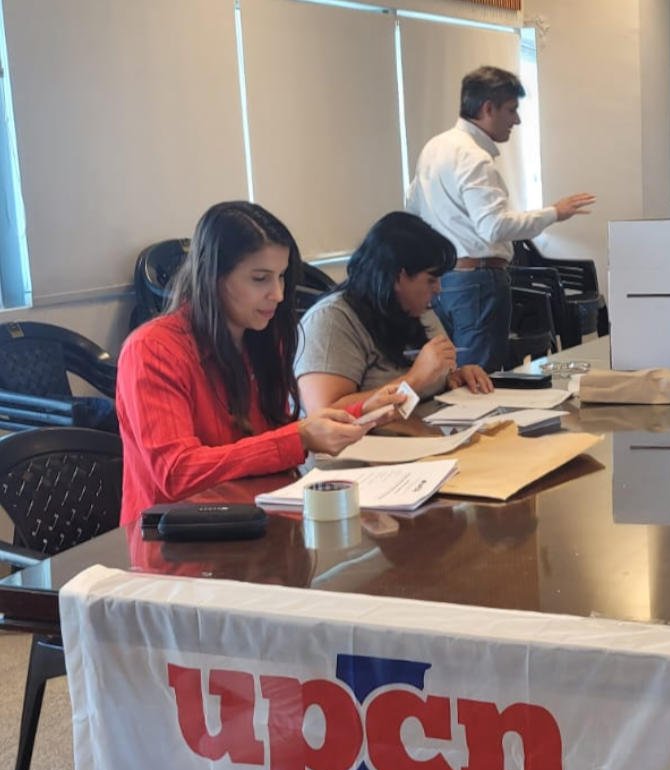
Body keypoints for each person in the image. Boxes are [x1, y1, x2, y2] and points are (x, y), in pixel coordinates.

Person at [116, 202, 405, 526]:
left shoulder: (261, 337)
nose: (278, 294)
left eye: (281, 277)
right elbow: (178, 473)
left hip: (256, 521)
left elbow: (268, 438)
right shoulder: (152, 350)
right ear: (212, 276)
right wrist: (299, 437)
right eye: (260, 279)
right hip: (175, 541)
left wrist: (361, 412)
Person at [405, 65, 596, 372]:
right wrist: (554, 213)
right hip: (477, 283)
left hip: (441, 281)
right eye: (512, 110)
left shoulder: (434, 147)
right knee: (479, 379)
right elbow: (494, 227)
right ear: (488, 108)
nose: (517, 120)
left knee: (449, 377)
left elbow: (413, 210)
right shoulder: (473, 157)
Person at [295, 211, 494, 414]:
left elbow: (433, 379)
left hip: (422, 434)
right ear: (398, 277)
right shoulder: (332, 321)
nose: (438, 289)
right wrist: (415, 380)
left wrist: (456, 377)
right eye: (431, 280)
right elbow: (323, 415)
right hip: (369, 443)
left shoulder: (417, 308)